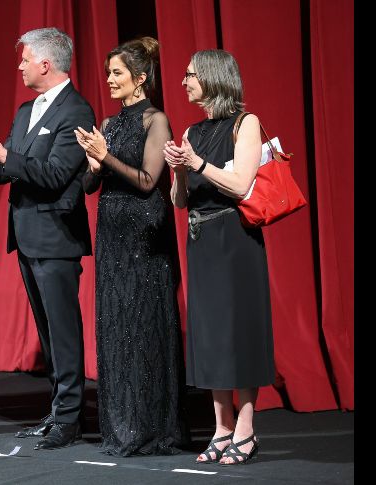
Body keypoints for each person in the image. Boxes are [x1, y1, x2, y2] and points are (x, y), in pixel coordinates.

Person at [0, 27, 95, 450]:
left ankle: (71, 417)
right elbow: (10, 165)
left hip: (56, 237)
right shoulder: (25, 111)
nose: (19, 66)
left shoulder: (76, 111)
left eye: (25, 59)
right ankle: (57, 410)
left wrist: (4, 156)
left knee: (62, 330)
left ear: (45, 63)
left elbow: (57, 174)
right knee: (46, 330)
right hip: (27, 235)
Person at [75, 37, 189, 456]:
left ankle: (153, 426)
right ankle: (122, 425)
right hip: (111, 233)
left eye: (117, 73)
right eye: (108, 73)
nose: (109, 80)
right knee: (118, 323)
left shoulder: (155, 120)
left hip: (144, 232)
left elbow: (146, 181)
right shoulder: (108, 124)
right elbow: (90, 186)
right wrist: (92, 163)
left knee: (144, 325)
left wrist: (105, 158)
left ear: (140, 78)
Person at [163, 49, 274, 465]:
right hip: (201, 240)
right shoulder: (192, 130)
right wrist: (178, 169)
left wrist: (198, 162)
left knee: (237, 334)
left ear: (212, 78)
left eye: (190, 75)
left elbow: (242, 182)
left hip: (235, 239)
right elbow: (180, 200)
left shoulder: (246, 124)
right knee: (209, 336)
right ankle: (221, 427)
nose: (184, 82)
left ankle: (246, 429)